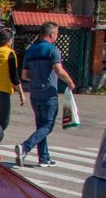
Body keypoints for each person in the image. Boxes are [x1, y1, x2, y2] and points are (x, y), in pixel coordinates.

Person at [15, 22, 76, 168]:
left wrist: (36, 78)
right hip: (49, 93)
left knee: (40, 126)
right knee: (47, 126)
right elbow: (59, 70)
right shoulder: (52, 50)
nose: (57, 36)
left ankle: (44, 158)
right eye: (56, 33)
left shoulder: (31, 50)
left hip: (34, 93)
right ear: (51, 34)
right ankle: (25, 147)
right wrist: (70, 83)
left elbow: (24, 75)